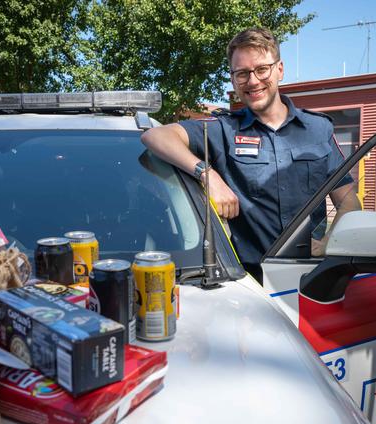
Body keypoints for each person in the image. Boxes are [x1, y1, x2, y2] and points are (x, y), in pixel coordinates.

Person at [141, 27, 360, 282]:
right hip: (251, 284)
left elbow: (348, 202)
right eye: (242, 73)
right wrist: (207, 174)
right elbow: (155, 136)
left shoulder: (318, 129)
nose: (253, 81)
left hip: (314, 279)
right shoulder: (223, 130)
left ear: (279, 70)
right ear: (233, 80)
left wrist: (327, 245)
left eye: (261, 69)